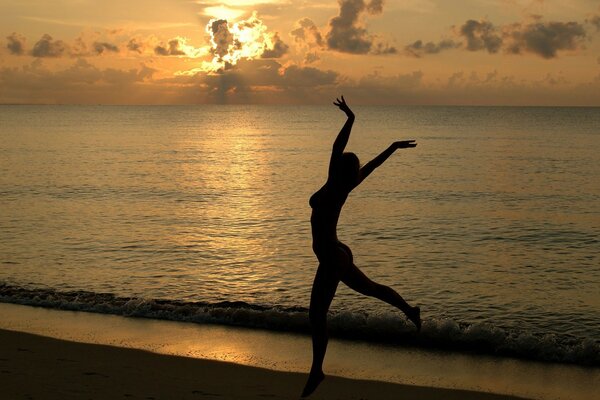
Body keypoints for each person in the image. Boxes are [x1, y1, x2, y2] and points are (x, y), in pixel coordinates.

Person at [302, 96, 421, 397]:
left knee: (317, 314)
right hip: (336, 252)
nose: (339, 160)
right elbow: (371, 164)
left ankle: (317, 372)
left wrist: (351, 119)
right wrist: (391, 146)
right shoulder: (343, 184)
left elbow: (337, 149)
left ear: (339, 168)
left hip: (332, 256)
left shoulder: (335, 183)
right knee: (369, 288)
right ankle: (410, 310)